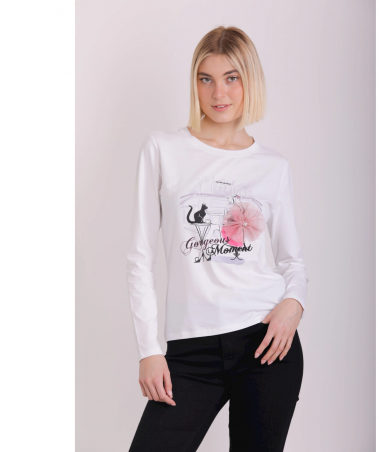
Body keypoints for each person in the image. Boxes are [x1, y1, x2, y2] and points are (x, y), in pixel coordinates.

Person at [126, 26, 309, 452]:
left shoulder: (273, 166)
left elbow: (292, 261)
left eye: (232, 78)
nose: (218, 93)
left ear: (250, 82)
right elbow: (139, 257)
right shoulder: (163, 149)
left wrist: (293, 305)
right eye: (205, 78)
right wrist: (149, 350)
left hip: (264, 344)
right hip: (189, 352)